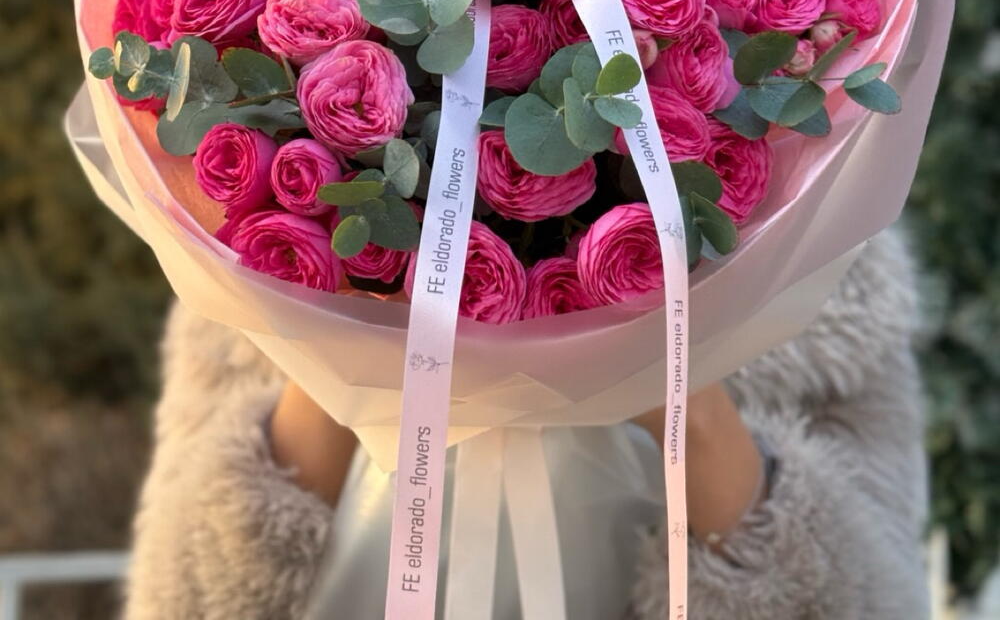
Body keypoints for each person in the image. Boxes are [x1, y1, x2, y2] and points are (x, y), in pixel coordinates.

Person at [122, 227, 929, 619]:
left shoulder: (825, 266)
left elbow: (876, 602)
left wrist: (686, 387)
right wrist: (335, 328)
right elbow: (178, 603)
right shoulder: (249, 254)